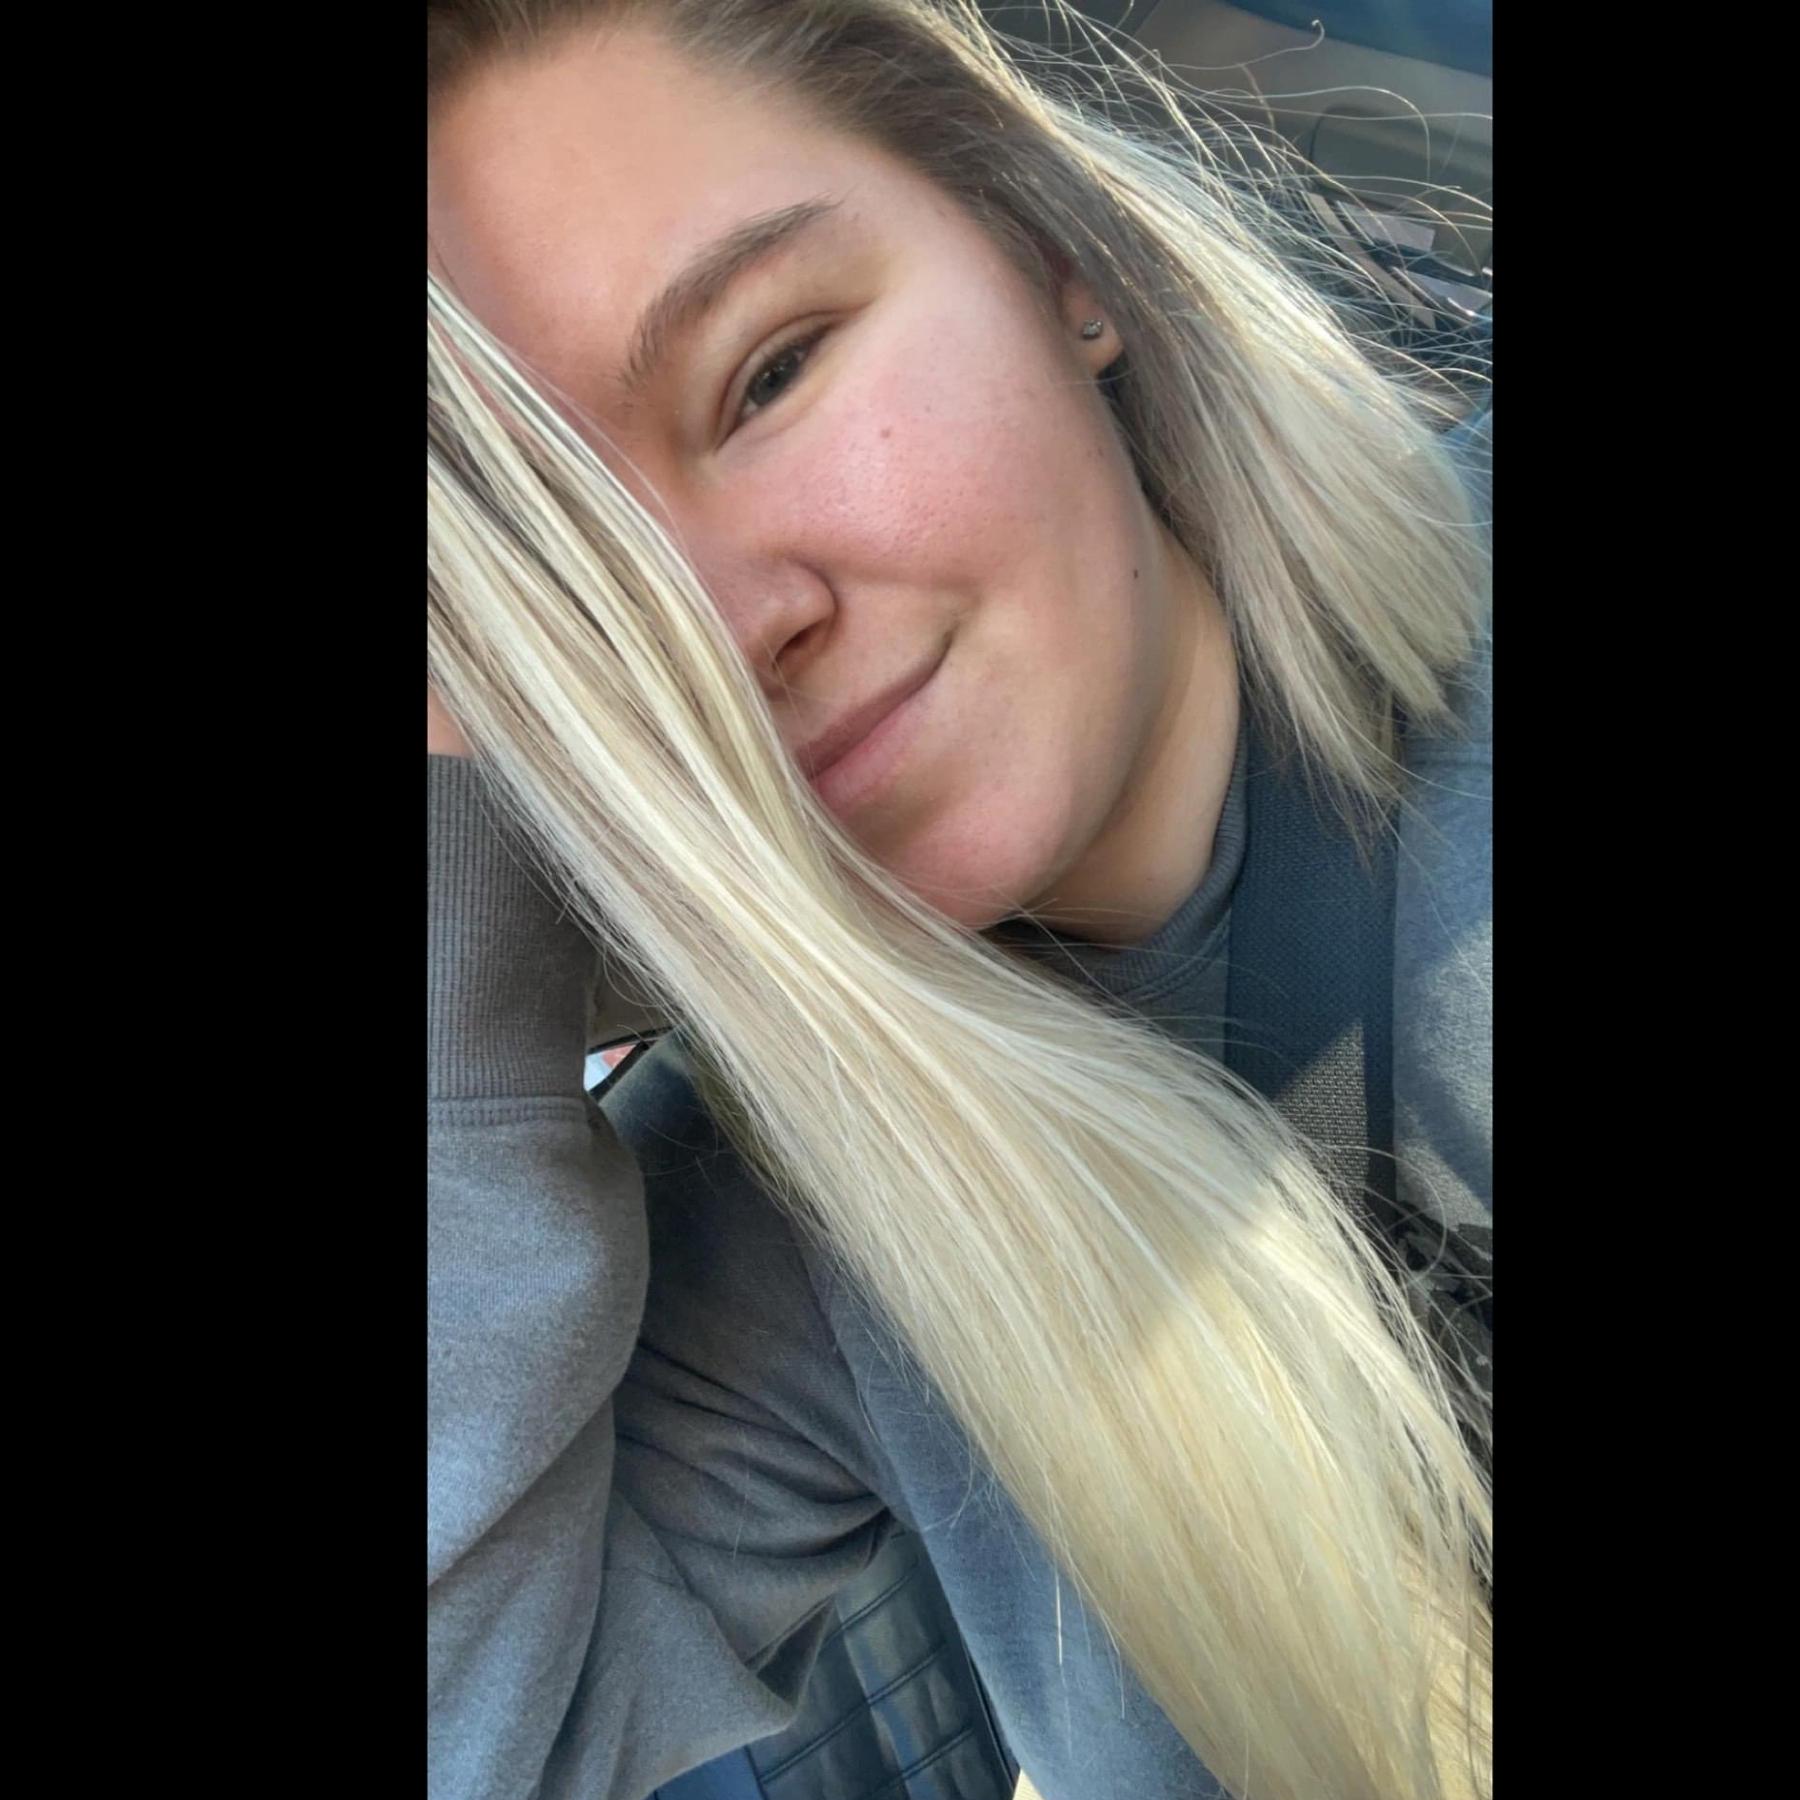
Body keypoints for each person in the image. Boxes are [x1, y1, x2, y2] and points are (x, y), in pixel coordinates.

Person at [426, 4, 1492, 1799]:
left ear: (1056, 255)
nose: (726, 630)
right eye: (573, 584)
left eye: (768, 374)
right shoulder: (798, 1231)